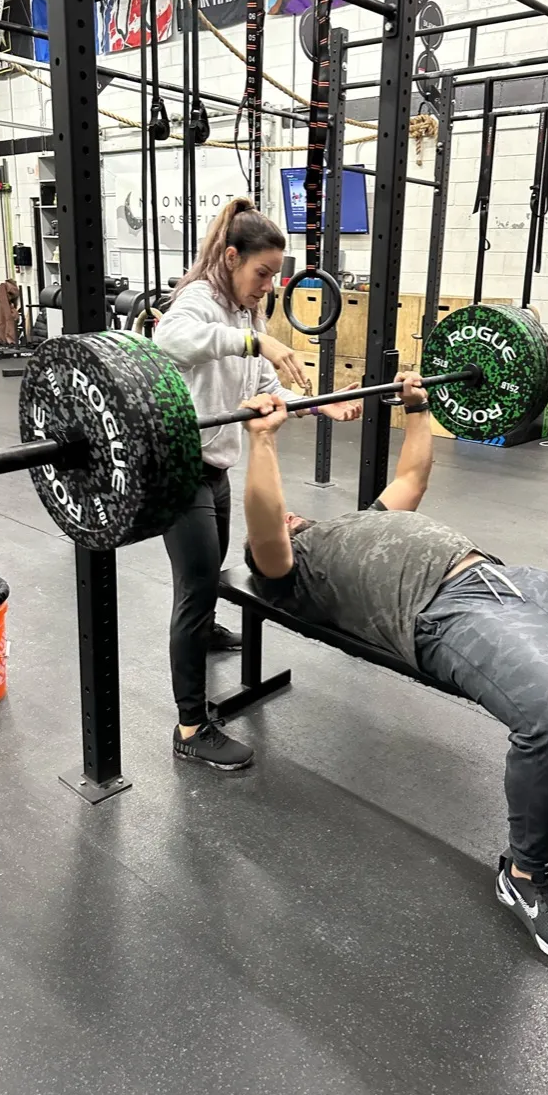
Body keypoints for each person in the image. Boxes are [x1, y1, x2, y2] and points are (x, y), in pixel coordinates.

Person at [238, 373, 548, 966]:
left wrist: (420, 409)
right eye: (286, 521)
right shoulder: (292, 573)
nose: (294, 516)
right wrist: (264, 442)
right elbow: (266, 526)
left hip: (511, 580)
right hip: (445, 613)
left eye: (294, 515)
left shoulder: (354, 522)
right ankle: (526, 876)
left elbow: (411, 478)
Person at [154, 198, 362, 773]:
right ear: (230, 257)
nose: (268, 286)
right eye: (261, 273)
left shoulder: (249, 314)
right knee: (195, 588)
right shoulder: (199, 299)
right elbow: (169, 341)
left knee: (210, 569)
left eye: (275, 275)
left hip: (216, 466)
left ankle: (203, 628)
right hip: (180, 468)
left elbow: (267, 384)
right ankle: (191, 726)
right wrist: (252, 341)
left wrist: (321, 406)